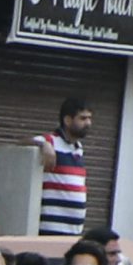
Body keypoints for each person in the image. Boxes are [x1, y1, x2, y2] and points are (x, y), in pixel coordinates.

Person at [34, 102, 97, 238]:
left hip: (73, 232)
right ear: (67, 120)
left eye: (89, 118)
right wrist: (44, 144)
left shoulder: (78, 147)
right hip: (50, 230)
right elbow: (22, 143)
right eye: (83, 118)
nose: (88, 123)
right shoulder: (50, 141)